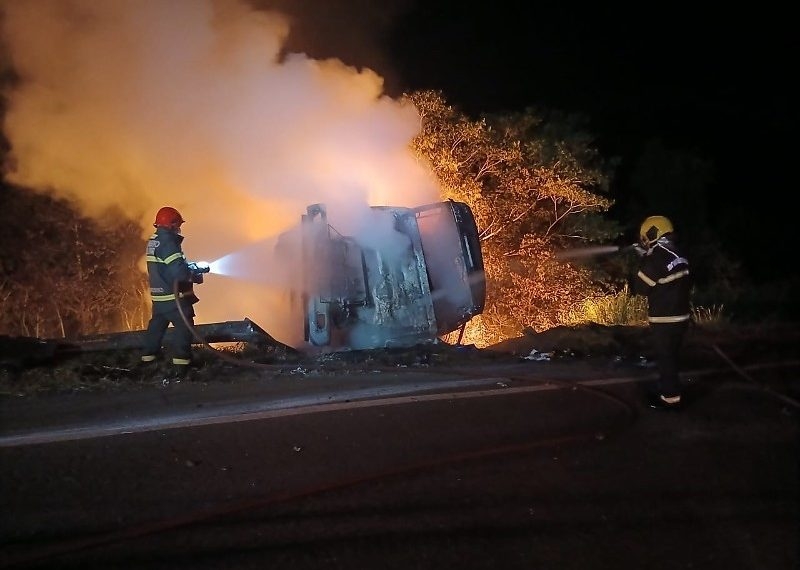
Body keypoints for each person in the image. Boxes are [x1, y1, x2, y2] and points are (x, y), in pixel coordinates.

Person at [632, 215, 692, 410]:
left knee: (665, 358)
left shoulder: (656, 256)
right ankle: (671, 389)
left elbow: (641, 288)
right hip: (681, 317)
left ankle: (670, 399)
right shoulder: (677, 253)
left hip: (664, 319)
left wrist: (643, 259)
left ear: (651, 233)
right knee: (672, 357)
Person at [141, 206, 205, 378]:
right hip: (172, 296)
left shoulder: (155, 240)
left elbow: (168, 265)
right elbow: (178, 272)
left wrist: (190, 266)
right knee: (184, 327)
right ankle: (181, 366)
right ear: (172, 224)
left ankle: (148, 360)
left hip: (159, 295)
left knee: (157, 326)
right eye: (178, 224)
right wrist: (194, 274)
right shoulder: (168, 242)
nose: (179, 228)